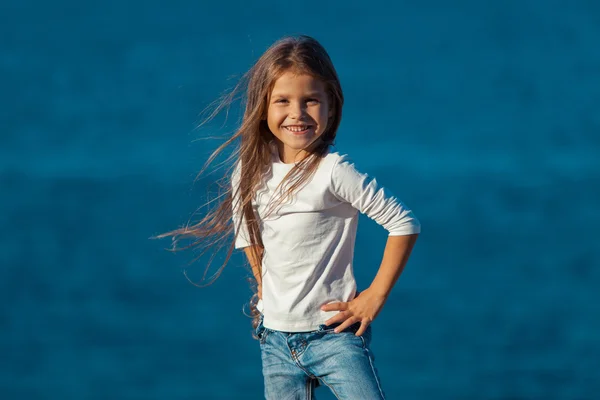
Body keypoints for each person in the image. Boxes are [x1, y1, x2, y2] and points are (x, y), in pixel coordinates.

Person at [159, 35, 420, 399]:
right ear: (263, 107)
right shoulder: (249, 170)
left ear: (332, 105)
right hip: (274, 340)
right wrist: (262, 284)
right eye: (282, 101)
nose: (296, 113)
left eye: (311, 100)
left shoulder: (333, 171)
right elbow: (246, 230)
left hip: (333, 337)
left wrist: (374, 296)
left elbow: (404, 224)